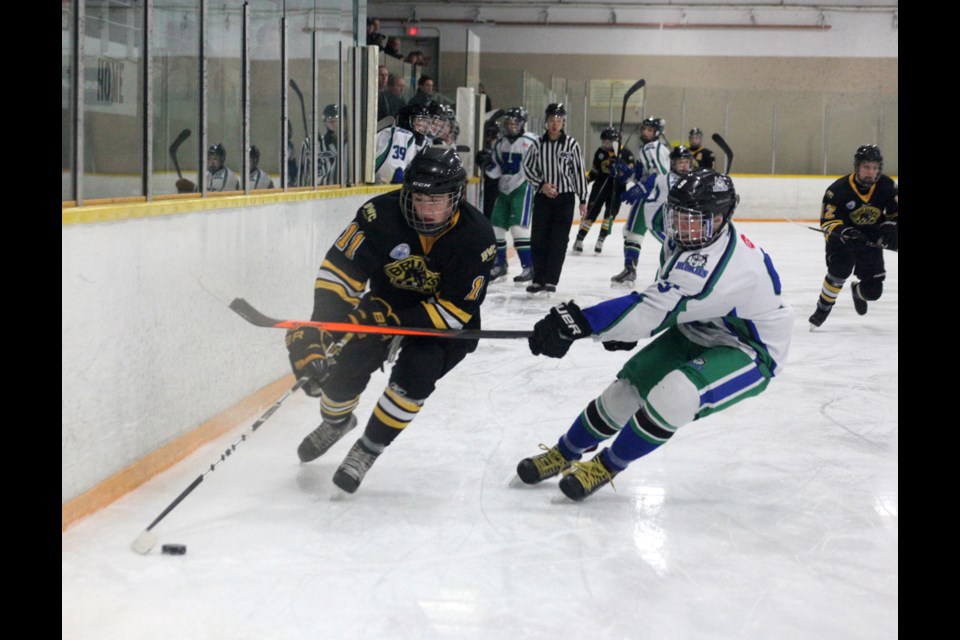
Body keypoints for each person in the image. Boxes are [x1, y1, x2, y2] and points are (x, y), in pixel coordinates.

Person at [516, 169, 794, 501]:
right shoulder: (692, 234)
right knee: (625, 392)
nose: (681, 226)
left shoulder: (726, 266)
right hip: (697, 328)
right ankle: (566, 451)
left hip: (750, 348)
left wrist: (582, 322)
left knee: (676, 395)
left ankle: (607, 465)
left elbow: (651, 310)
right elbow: (666, 302)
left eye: (694, 219)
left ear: (721, 219)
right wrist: (622, 328)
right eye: (677, 214)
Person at [284, 147, 496, 493]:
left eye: (437, 200)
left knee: (416, 374)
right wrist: (322, 327)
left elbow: (454, 312)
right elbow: (340, 273)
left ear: (455, 198)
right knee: (343, 369)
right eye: (418, 198)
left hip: (440, 324)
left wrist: (393, 319)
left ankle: (368, 448)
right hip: (384, 304)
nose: (426, 209)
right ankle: (336, 423)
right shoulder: (379, 214)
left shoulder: (477, 237)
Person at [808, 144, 898, 329]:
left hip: (870, 240)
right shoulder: (838, 190)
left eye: (874, 168)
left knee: (873, 292)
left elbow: (895, 213)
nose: (870, 172)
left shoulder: (887, 186)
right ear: (857, 166)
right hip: (842, 239)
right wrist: (845, 232)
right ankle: (822, 309)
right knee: (839, 271)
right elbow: (828, 222)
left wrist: (892, 226)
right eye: (866, 167)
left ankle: (857, 291)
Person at [521, 103, 588, 294]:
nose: (555, 124)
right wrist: (542, 184)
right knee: (539, 239)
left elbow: (578, 172)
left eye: (559, 121)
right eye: (552, 120)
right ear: (546, 121)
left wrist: (583, 199)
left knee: (558, 241)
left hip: (565, 199)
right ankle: (538, 278)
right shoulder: (537, 145)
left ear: (563, 122)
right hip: (543, 198)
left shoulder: (571, 144)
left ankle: (551, 280)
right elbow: (527, 168)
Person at [610, 145, 693, 286]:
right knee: (672, 249)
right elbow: (650, 180)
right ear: (673, 163)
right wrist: (630, 175)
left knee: (676, 250)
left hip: (676, 223)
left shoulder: (690, 178)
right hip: (659, 221)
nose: (684, 166)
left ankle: (671, 279)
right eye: (680, 162)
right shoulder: (667, 179)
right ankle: (658, 279)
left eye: (687, 162)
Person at [484, 107, 538, 283]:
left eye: (515, 122)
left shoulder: (532, 141)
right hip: (503, 188)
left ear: (523, 123)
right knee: (496, 229)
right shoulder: (500, 144)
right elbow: (496, 171)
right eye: (509, 122)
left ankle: (528, 267)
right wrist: (485, 165)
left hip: (523, 187)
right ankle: (500, 264)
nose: (512, 126)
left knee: (517, 229)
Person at [573, 127, 635, 255]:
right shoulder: (600, 152)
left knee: (610, 215)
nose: (605, 144)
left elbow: (630, 174)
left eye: (608, 141)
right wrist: (587, 180)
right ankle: (579, 239)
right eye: (604, 141)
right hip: (600, 186)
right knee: (591, 212)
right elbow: (595, 171)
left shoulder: (626, 154)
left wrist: (620, 168)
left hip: (617, 188)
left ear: (615, 141)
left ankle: (601, 240)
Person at [373, 103, 431, 184]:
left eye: (425, 124)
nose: (422, 128)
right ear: (406, 121)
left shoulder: (423, 143)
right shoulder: (401, 135)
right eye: (419, 123)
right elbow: (389, 174)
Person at [299, 104, 342, 186]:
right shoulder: (312, 145)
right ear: (325, 123)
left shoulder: (349, 146)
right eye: (331, 121)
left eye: (337, 120)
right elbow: (305, 177)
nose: (336, 124)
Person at [176, 143, 240, 193]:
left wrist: (191, 188)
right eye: (210, 158)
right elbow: (202, 191)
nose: (212, 162)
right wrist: (189, 188)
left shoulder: (228, 175)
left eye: (215, 159)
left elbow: (218, 196)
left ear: (222, 159)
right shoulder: (207, 173)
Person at [476, 116, 503, 220]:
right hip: (487, 181)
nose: (488, 137)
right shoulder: (485, 146)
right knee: (486, 207)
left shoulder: (500, 145)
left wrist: (490, 163)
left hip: (497, 182)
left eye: (490, 134)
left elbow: (500, 165)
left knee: (492, 209)